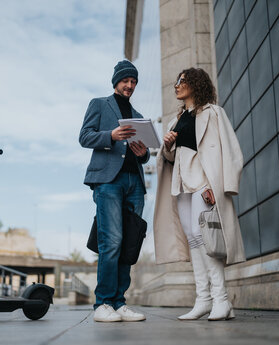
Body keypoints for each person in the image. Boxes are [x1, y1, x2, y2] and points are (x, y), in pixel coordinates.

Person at [153, 67, 245, 321]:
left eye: (183, 81)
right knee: (194, 239)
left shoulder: (214, 113)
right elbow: (173, 158)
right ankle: (203, 299)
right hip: (181, 185)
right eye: (177, 81)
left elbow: (232, 151)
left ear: (196, 84)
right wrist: (168, 146)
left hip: (205, 184)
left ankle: (221, 299)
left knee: (206, 239)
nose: (177, 85)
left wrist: (224, 185)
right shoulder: (176, 119)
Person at [79, 60, 149, 322]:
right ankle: (103, 304)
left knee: (129, 243)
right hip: (108, 182)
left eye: (133, 82)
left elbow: (142, 155)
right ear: (116, 81)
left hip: (134, 184)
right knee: (112, 242)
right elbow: (85, 136)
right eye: (126, 81)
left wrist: (143, 155)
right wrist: (111, 135)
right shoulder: (99, 104)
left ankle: (119, 303)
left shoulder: (139, 116)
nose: (130, 85)